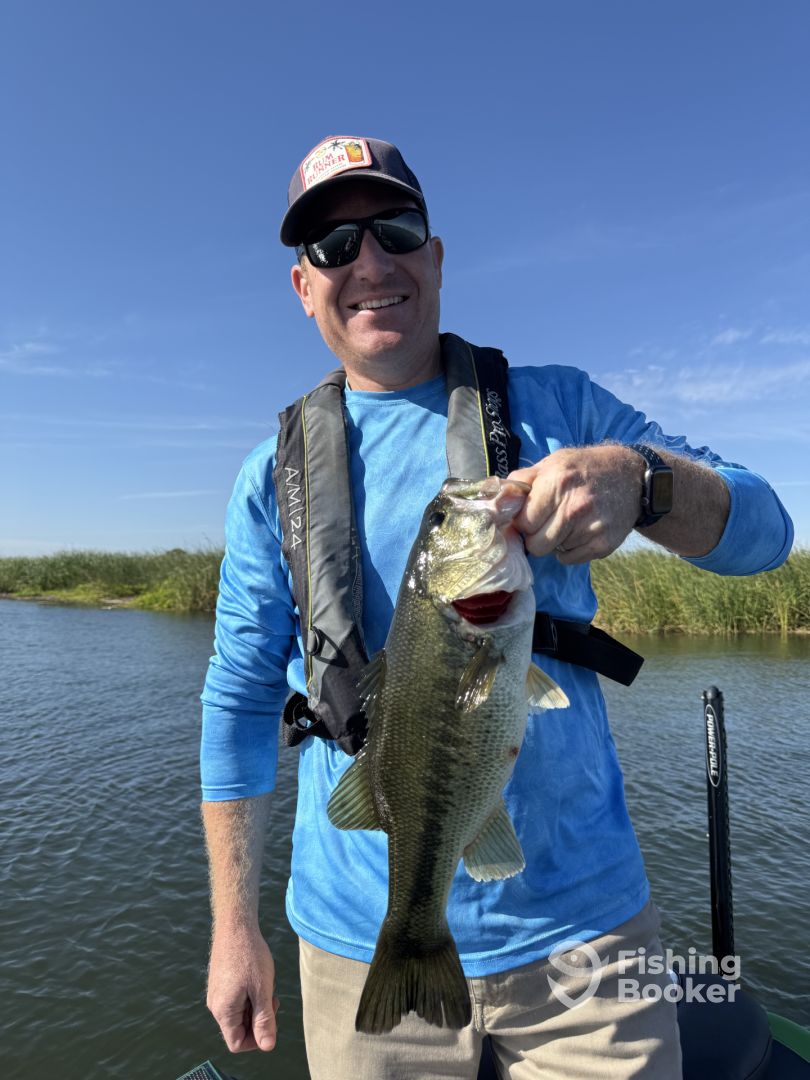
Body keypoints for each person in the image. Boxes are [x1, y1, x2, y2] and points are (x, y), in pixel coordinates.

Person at [200, 135, 793, 1079]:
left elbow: (766, 532)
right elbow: (238, 701)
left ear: (436, 257)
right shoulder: (273, 479)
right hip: (360, 946)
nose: (371, 264)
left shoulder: (561, 408)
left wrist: (642, 482)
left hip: (587, 944)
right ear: (304, 287)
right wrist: (234, 929)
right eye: (335, 247)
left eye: (396, 230)